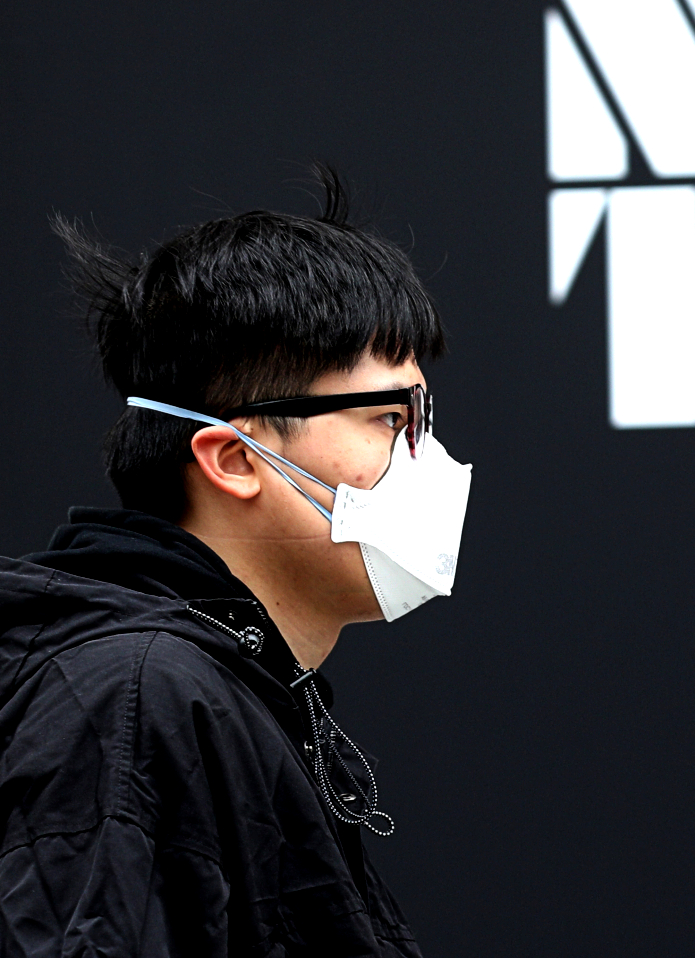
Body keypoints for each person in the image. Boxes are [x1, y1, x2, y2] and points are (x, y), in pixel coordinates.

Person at [0, 167, 471, 956]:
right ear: (235, 459)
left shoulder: (224, 690)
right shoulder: (137, 698)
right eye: (391, 419)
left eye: (423, 418)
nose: (428, 461)